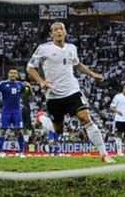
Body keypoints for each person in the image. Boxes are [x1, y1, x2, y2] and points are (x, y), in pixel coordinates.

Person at [26, 22, 114, 163]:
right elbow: (30, 68)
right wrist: (41, 82)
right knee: (58, 130)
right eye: (55, 29)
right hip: (54, 95)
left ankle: (104, 154)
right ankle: (41, 118)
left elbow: (77, 64)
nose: (59, 31)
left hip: (72, 90)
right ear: (51, 34)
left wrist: (93, 74)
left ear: (65, 32)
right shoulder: (43, 49)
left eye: (61, 29)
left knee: (85, 118)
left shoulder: (71, 48)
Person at [0, 68, 31, 157]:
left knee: (19, 131)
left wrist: (29, 86)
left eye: (15, 73)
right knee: (3, 131)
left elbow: (30, 93)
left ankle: (21, 152)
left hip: (17, 112)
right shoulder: (3, 84)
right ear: (8, 74)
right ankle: (0, 152)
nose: (13, 74)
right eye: (11, 73)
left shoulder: (20, 85)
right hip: (6, 111)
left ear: (17, 75)